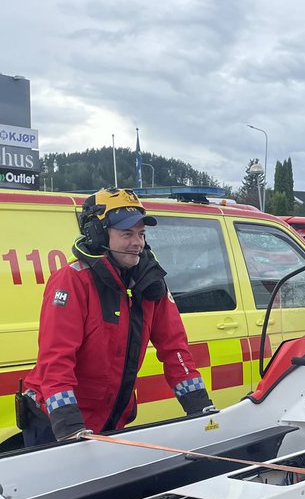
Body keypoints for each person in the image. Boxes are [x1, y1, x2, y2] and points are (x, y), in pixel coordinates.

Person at [19, 188, 214, 445]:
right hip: (57, 423)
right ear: (98, 235)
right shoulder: (72, 280)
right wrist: (68, 426)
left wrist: (200, 408)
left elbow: (175, 348)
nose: (138, 242)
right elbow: (56, 360)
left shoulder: (149, 281)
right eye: (127, 234)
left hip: (111, 418)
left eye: (141, 234)